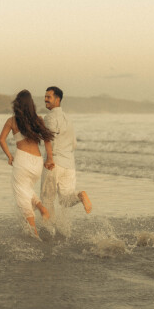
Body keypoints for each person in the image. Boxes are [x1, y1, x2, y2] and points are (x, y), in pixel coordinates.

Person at [0, 89, 55, 237]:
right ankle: (41, 208)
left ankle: (34, 231)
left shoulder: (12, 120)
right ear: (31, 104)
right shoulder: (38, 119)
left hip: (22, 160)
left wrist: (9, 156)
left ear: (17, 103)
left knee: (20, 192)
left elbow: (1, 140)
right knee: (27, 188)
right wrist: (49, 158)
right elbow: (47, 139)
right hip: (37, 162)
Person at [41, 86, 92, 223]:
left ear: (57, 99)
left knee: (47, 199)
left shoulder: (50, 117)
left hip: (54, 163)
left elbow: (48, 139)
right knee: (65, 200)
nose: (45, 99)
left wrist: (49, 159)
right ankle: (80, 196)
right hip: (69, 164)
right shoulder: (68, 119)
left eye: (49, 97)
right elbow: (74, 144)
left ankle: (49, 228)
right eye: (45, 96)